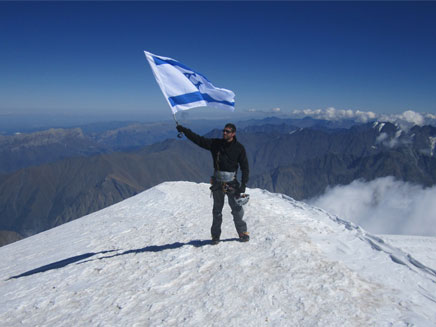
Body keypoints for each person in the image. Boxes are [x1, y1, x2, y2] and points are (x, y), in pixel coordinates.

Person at [176, 123, 250, 244]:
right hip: (218, 183)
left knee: (236, 209)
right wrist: (184, 130)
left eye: (227, 131)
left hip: (232, 183)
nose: (224, 133)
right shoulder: (216, 144)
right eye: (224, 131)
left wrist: (243, 184)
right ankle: (215, 236)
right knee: (217, 210)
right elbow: (199, 140)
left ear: (233, 133)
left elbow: (245, 168)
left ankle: (242, 232)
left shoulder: (239, 148)